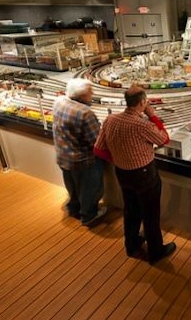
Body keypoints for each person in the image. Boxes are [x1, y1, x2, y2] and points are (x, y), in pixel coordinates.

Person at [93, 85, 176, 264]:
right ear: (142, 103)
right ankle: (156, 251)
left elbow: (99, 150)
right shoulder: (142, 124)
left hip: (122, 173)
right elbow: (164, 139)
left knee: (130, 210)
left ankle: (131, 245)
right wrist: (152, 115)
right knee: (151, 213)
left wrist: (118, 159)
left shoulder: (110, 120)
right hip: (145, 174)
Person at [52, 78, 107, 226]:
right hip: (83, 161)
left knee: (73, 187)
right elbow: (97, 142)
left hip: (63, 156)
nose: (92, 94)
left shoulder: (59, 101)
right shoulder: (85, 113)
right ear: (82, 96)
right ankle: (89, 216)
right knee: (90, 189)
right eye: (90, 92)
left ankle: (74, 209)